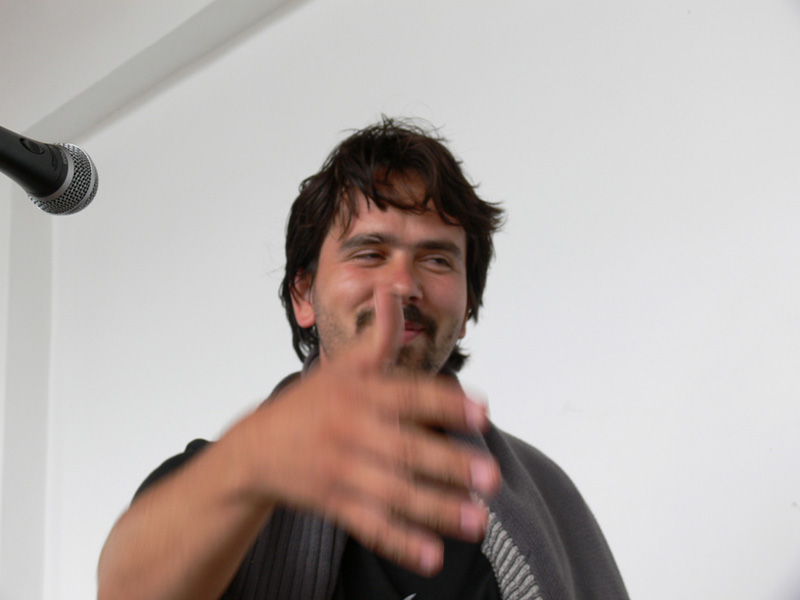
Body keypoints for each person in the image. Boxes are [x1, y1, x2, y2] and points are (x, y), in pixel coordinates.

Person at [97, 118, 629, 600]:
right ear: (303, 295)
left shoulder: (545, 497)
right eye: (370, 253)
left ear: (467, 307)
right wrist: (250, 463)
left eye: (436, 259)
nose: (402, 284)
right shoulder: (218, 481)